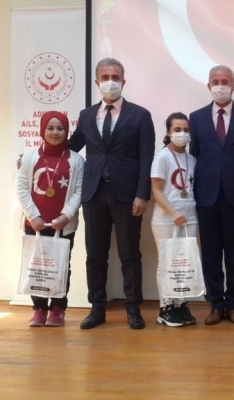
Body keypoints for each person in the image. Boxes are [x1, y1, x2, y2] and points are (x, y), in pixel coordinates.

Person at [68, 58, 156, 330]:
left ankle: (133, 309)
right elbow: (71, 147)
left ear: (123, 81)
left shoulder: (140, 115)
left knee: (129, 254)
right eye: (105, 77)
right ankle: (97, 309)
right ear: (97, 82)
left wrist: (142, 194)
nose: (110, 81)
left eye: (115, 77)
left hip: (128, 195)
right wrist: (37, 157)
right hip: (93, 193)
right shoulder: (86, 115)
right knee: (95, 254)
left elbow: (146, 157)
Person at [189, 65, 234, 326]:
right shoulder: (196, 118)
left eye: (225, 81)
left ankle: (233, 305)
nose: (220, 86)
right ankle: (215, 304)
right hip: (206, 196)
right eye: (216, 81)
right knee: (210, 253)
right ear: (208, 86)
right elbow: (193, 157)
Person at [16, 111, 84, 327]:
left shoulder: (77, 160)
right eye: (50, 128)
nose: (55, 132)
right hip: (34, 224)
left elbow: (79, 191)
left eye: (60, 128)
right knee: (36, 265)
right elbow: (21, 188)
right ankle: (39, 309)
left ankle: (57, 308)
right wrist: (33, 216)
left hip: (63, 225)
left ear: (67, 131)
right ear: (42, 130)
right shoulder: (29, 157)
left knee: (61, 266)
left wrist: (66, 216)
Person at [150, 112, 198, 327]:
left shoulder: (192, 159)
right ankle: (166, 307)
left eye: (186, 130)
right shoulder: (162, 157)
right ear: (168, 132)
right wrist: (173, 213)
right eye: (177, 130)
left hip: (190, 218)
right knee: (167, 262)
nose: (182, 133)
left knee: (184, 262)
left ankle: (180, 304)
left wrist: (185, 214)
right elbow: (157, 190)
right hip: (166, 219)